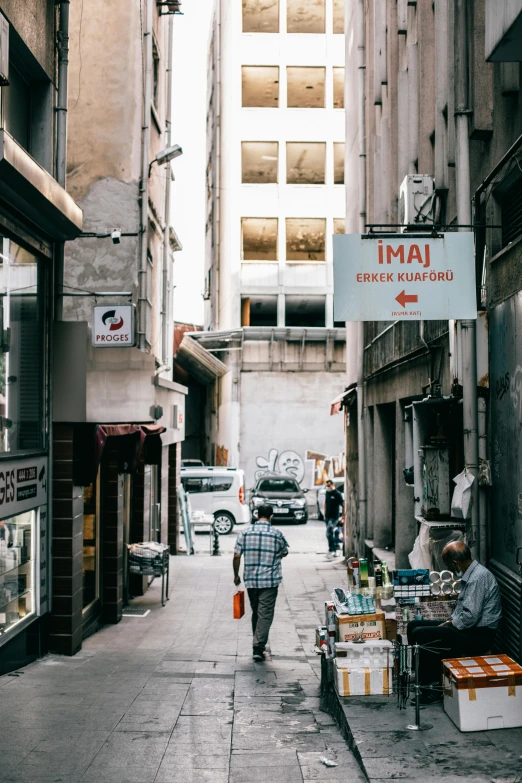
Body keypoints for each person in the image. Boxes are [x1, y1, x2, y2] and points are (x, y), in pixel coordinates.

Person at [407, 540, 502, 702]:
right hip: (467, 628)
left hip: (478, 635)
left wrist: (450, 624)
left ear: (456, 563)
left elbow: (470, 616)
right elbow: (463, 612)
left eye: (449, 566)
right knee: (413, 625)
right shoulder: (472, 574)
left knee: (422, 634)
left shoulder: (477, 578)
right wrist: (449, 622)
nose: (449, 570)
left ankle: (433, 688)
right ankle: (423, 678)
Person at [233, 504, 289, 661]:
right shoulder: (276, 534)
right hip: (269, 581)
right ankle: (258, 647)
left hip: (251, 580)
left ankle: (257, 643)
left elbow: (236, 556)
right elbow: (284, 551)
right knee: (265, 613)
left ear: (257, 515)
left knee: (257, 611)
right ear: (271, 516)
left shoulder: (245, 533)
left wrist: (236, 575)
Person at [324, 480, 344, 558]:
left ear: (333, 485)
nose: (328, 487)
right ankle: (335, 549)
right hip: (327, 517)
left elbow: (343, 505)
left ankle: (331, 550)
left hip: (334, 517)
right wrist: (325, 514)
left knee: (328, 533)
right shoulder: (327, 493)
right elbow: (326, 503)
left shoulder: (337, 494)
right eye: (327, 486)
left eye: (329, 486)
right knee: (331, 534)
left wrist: (343, 517)